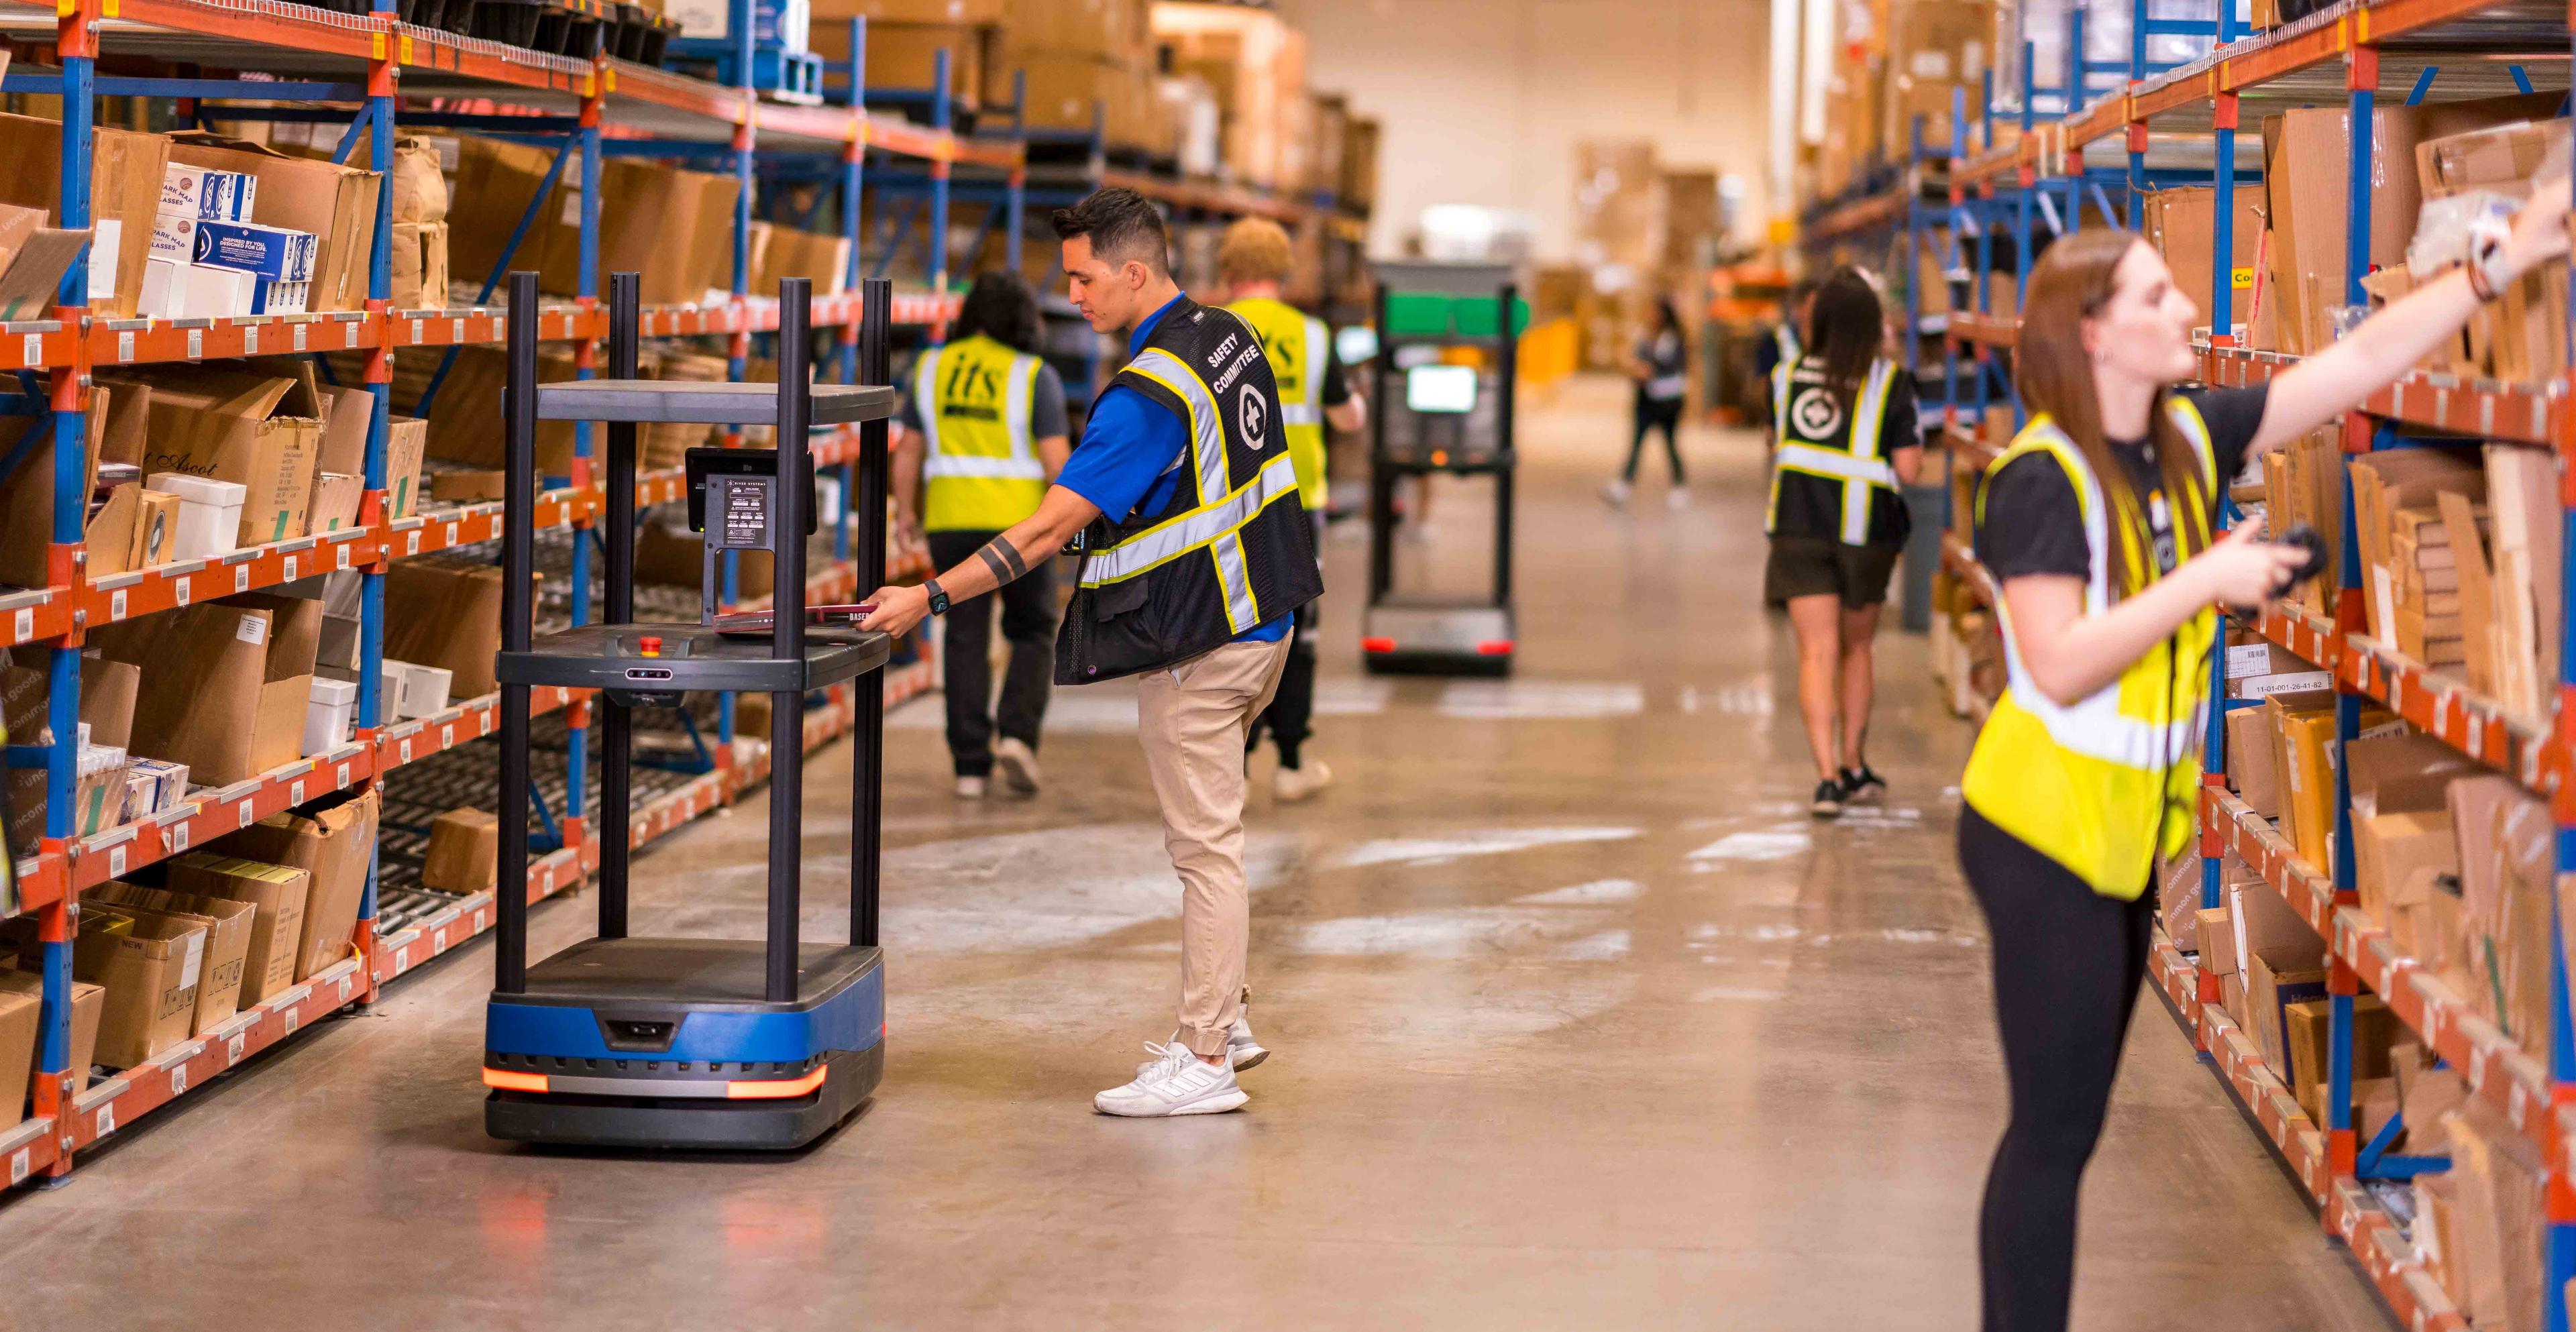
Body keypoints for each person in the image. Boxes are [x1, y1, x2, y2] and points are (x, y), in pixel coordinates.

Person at [1958, 182, 2569, 1332]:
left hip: (2120, 832)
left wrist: (2487, 272)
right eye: (2157, 292)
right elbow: (2056, 662)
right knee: (2051, 1132)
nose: (2186, 302)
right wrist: (2209, 578)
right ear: (2094, 333)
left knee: (2071, 1125)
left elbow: (2350, 369)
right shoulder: (2042, 479)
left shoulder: (2184, 435)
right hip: (2036, 835)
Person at [858, 186, 1318, 1118]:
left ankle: (1204, 1059)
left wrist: (926, 596)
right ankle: (1223, 1019)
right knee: (1212, 841)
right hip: (1268, 618)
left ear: (1134, 270)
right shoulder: (1225, 336)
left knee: (1204, 851)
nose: (1072, 296)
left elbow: (1038, 536)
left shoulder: (1143, 398)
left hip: (1205, 644)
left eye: (1085, 277)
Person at [891, 272, 1072, 800]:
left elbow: (908, 452)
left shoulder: (930, 368)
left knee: (964, 638)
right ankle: (1017, 736)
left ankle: (970, 765)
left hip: (949, 523)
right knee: (1033, 631)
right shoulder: (1034, 375)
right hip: (1021, 530)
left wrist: (906, 513)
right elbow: (1057, 462)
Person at [1217, 216, 1366, 802]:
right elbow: (1346, 418)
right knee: (1298, 632)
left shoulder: (1213, 332)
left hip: (1226, 510)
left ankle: (1238, 766)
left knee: (1234, 631)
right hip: (1299, 505)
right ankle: (1294, 763)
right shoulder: (1314, 335)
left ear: (1229, 271)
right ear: (1284, 271)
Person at [1762, 268, 1919, 818]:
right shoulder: (1890, 383)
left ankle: (1826, 778)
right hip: (1865, 537)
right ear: (1875, 325)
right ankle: (1854, 762)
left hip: (1798, 530)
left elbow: (1775, 443)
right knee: (1857, 649)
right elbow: (1910, 468)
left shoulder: (1784, 378)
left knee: (1815, 653)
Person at [1602, 296, 1690, 507]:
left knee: (1670, 445)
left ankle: (1679, 486)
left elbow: (1675, 366)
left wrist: (1652, 371)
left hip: (1668, 401)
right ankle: (1623, 486)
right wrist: (1635, 369)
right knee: (1636, 444)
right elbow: (1637, 361)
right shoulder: (1644, 336)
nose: (1651, 315)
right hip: (1646, 399)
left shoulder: (1674, 339)